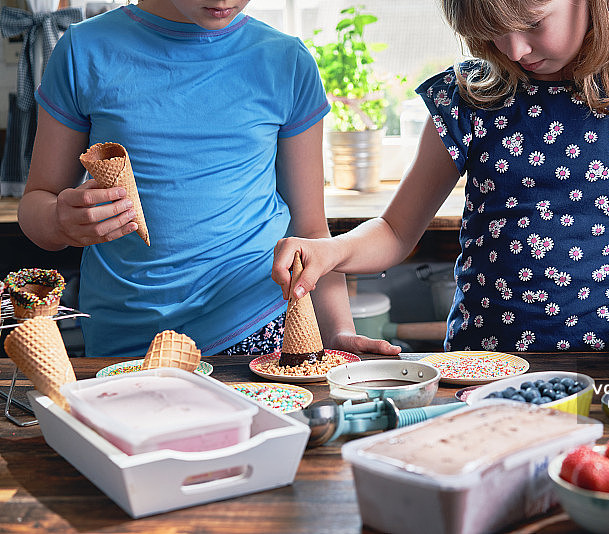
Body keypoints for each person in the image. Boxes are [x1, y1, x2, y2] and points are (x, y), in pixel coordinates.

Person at [273, 0, 609, 357]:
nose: (514, 49)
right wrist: (332, 251)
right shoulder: (468, 98)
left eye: (533, 24)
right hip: (480, 361)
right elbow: (394, 232)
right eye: (494, 30)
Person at [18, 0, 399, 358]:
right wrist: (59, 221)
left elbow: (311, 230)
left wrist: (337, 332)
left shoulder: (285, 61)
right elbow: (37, 202)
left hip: (255, 326)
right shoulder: (83, 50)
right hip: (125, 336)